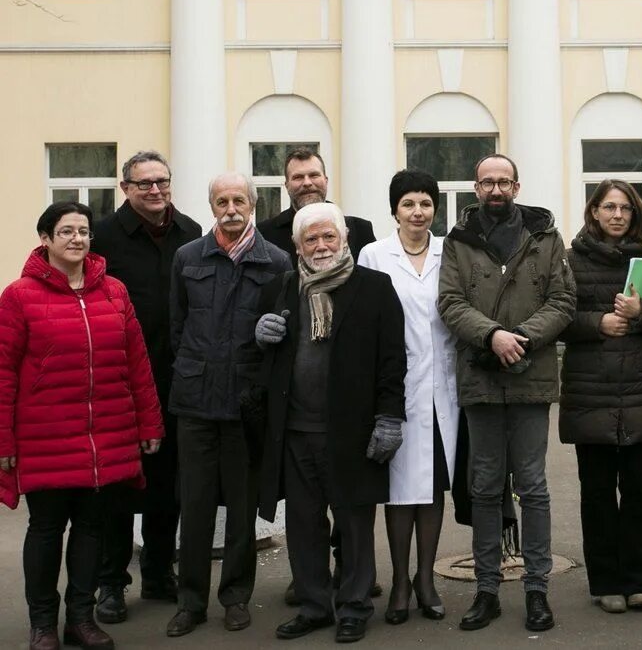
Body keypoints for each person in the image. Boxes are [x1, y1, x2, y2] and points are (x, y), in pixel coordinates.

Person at [1, 201, 165, 650]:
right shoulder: (19, 296)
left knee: (93, 530)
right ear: (46, 239)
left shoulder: (114, 291)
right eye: (67, 231)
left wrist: (149, 424)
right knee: (46, 530)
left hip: (105, 436)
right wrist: (3, 439)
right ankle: (41, 624)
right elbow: (3, 372)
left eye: (84, 231)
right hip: (44, 437)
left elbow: (137, 364)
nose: (77, 238)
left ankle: (80, 618)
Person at [252, 202, 407, 644]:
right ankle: (316, 606)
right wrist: (259, 335)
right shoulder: (283, 289)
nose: (320, 246)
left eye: (328, 237)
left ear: (344, 240)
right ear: (297, 246)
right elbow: (267, 361)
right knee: (303, 525)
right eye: (311, 239)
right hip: (295, 431)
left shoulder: (374, 288)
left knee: (354, 524)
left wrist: (389, 418)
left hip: (353, 431)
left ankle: (355, 606)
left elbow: (392, 360)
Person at [437, 153, 576, 632]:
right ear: (476, 188)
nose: (495, 190)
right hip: (480, 379)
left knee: (533, 487)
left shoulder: (546, 238)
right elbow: (450, 302)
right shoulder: (457, 241)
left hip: (530, 377)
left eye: (503, 182)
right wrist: (492, 335)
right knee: (485, 488)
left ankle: (537, 589)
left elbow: (563, 301)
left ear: (517, 187)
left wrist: (523, 339)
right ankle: (487, 590)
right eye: (486, 183)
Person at [165, 173, 290, 637]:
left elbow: (280, 333)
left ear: (253, 205)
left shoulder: (276, 261)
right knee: (194, 508)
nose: (231, 207)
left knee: (241, 510)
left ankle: (235, 598)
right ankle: (191, 602)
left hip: (246, 404)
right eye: (222, 200)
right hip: (195, 403)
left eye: (239, 199)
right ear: (212, 205)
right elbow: (178, 328)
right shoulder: (188, 257)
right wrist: (195, 368)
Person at [559, 180, 642, 613]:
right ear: (593, 212)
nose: (616, 215)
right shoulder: (570, 261)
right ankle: (605, 583)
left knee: (639, 494)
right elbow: (559, 318)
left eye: (625, 208)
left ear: (635, 213)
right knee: (596, 496)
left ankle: (638, 580)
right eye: (608, 207)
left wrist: (640, 313)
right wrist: (599, 324)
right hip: (592, 397)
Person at [91, 151, 202, 624]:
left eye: (162, 181)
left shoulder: (192, 233)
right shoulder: (103, 236)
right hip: (120, 382)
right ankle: (111, 583)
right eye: (144, 184)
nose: (155, 191)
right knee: (117, 485)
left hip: (177, 378)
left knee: (168, 485)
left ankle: (159, 571)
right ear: (126, 188)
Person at [359, 170, 460, 625]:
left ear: (435, 209)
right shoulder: (374, 255)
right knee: (400, 490)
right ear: (394, 209)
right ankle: (399, 581)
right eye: (408, 204)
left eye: (425, 203)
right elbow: (366, 319)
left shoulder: (451, 252)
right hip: (395, 388)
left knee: (434, 485)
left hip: (445, 388)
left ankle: (426, 579)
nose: (417, 212)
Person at [258, 148, 376, 265]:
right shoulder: (265, 234)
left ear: (326, 180)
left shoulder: (360, 230)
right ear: (286, 185)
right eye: (298, 177)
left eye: (314, 175)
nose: (307, 183)